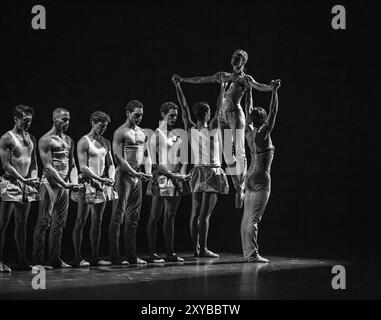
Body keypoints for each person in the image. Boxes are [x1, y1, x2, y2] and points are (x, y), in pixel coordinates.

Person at [177, 49, 277, 208]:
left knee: (239, 151)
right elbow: (201, 79)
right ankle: (238, 186)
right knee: (227, 155)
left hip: (235, 116)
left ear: (243, 62)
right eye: (233, 56)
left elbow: (260, 86)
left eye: (238, 57)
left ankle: (240, 188)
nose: (234, 58)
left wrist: (273, 88)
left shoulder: (245, 79)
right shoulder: (222, 75)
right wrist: (183, 80)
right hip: (222, 116)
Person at [172, 75, 229, 258]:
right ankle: (202, 249)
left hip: (197, 171)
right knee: (204, 216)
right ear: (208, 114)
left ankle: (196, 248)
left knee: (195, 213)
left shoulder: (189, 127)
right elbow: (221, 105)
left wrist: (178, 86)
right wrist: (222, 87)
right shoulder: (213, 126)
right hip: (211, 171)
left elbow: (184, 107)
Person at [32, 108, 79, 269]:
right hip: (50, 185)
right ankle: (38, 261)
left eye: (68, 120)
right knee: (44, 222)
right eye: (63, 119)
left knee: (59, 223)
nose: (67, 123)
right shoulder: (46, 139)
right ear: (54, 119)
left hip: (64, 186)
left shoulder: (69, 140)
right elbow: (48, 167)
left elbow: (72, 164)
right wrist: (64, 184)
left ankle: (55, 259)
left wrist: (73, 182)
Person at [241, 79, 280, 263]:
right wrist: (274, 91)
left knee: (247, 216)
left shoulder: (248, 131)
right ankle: (252, 254)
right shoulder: (264, 133)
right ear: (263, 120)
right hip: (261, 177)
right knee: (254, 218)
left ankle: (247, 252)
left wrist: (249, 90)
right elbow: (274, 111)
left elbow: (248, 108)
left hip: (249, 176)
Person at [109, 100, 152, 265]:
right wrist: (135, 173)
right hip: (124, 177)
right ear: (128, 113)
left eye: (141, 115)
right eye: (136, 115)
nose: (139, 118)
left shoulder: (142, 132)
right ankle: (114, 257)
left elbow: (147, 155)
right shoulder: (120, 132)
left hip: (137, 177)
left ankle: (132, 256)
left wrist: (147, 172)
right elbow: (118, 158)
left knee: (133, 218)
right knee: (118, 216)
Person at [71, 111, 117, 267]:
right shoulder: (84, 142)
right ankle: (78, 257)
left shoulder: (106, 142)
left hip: (101, 184)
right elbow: (83, 167)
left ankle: (95, 257)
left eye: (105, 126)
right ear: (92, 123)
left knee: (97, 221)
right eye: (100, 126)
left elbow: (111, 164)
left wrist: (110, 178)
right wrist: (99, 179)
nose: (103, 129)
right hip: (87, 184)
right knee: (81, 220)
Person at [146, 101, 189, 263]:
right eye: (171, 115)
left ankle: (170, 253)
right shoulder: (156, 135)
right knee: (155, 215)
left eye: (176, 116)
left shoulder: (176, 133)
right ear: (163, 114)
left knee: (170, 216)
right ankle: (152, 253)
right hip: (162, 177)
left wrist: (182, 174)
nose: (174, 118)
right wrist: (171, 174)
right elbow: (155, 162)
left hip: (176, 178)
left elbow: (184, 157)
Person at [0, 105, 40, 272]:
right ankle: (0, 261)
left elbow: (34, 161)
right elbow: (6, 165)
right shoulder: (6, 138)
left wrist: (34, 177)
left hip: (26, 184)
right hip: (11, 183)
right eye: (25, 121)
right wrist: (23, 179)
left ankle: (22, 259)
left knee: (22, 223)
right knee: (3, 224)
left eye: (30, 121)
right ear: (16, 119)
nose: (28, 124)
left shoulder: (31, 137)